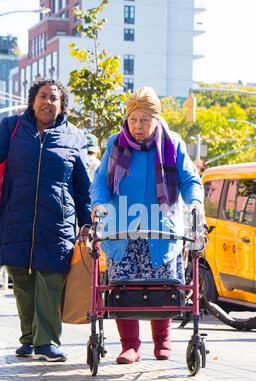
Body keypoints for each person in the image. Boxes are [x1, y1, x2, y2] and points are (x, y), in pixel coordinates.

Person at [91, 86, 204, 364]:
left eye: (144, 120)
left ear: (156, 119)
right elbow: (100, 182)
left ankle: (162, 342)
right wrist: (99, 204)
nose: (138, 126)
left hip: (162, 229)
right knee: (123, 288)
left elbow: (190, 180)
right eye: (133, 120)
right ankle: (130, 345)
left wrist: (194, 202)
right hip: (123, 229)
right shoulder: (115, 144)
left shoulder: (172, 143)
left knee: (162, 288)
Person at [0, 79, 91, 362]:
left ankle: (47, 342)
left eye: (54, 98)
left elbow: (82, 185)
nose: (48, 102)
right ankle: (28, 339)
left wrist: (86, 221)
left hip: (57, 222)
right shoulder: (11, 128)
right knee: (23, 281)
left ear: (62, 105)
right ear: (32, 100)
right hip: (17, 217)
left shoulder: (74, 136)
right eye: (43, 96)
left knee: (51, 281)